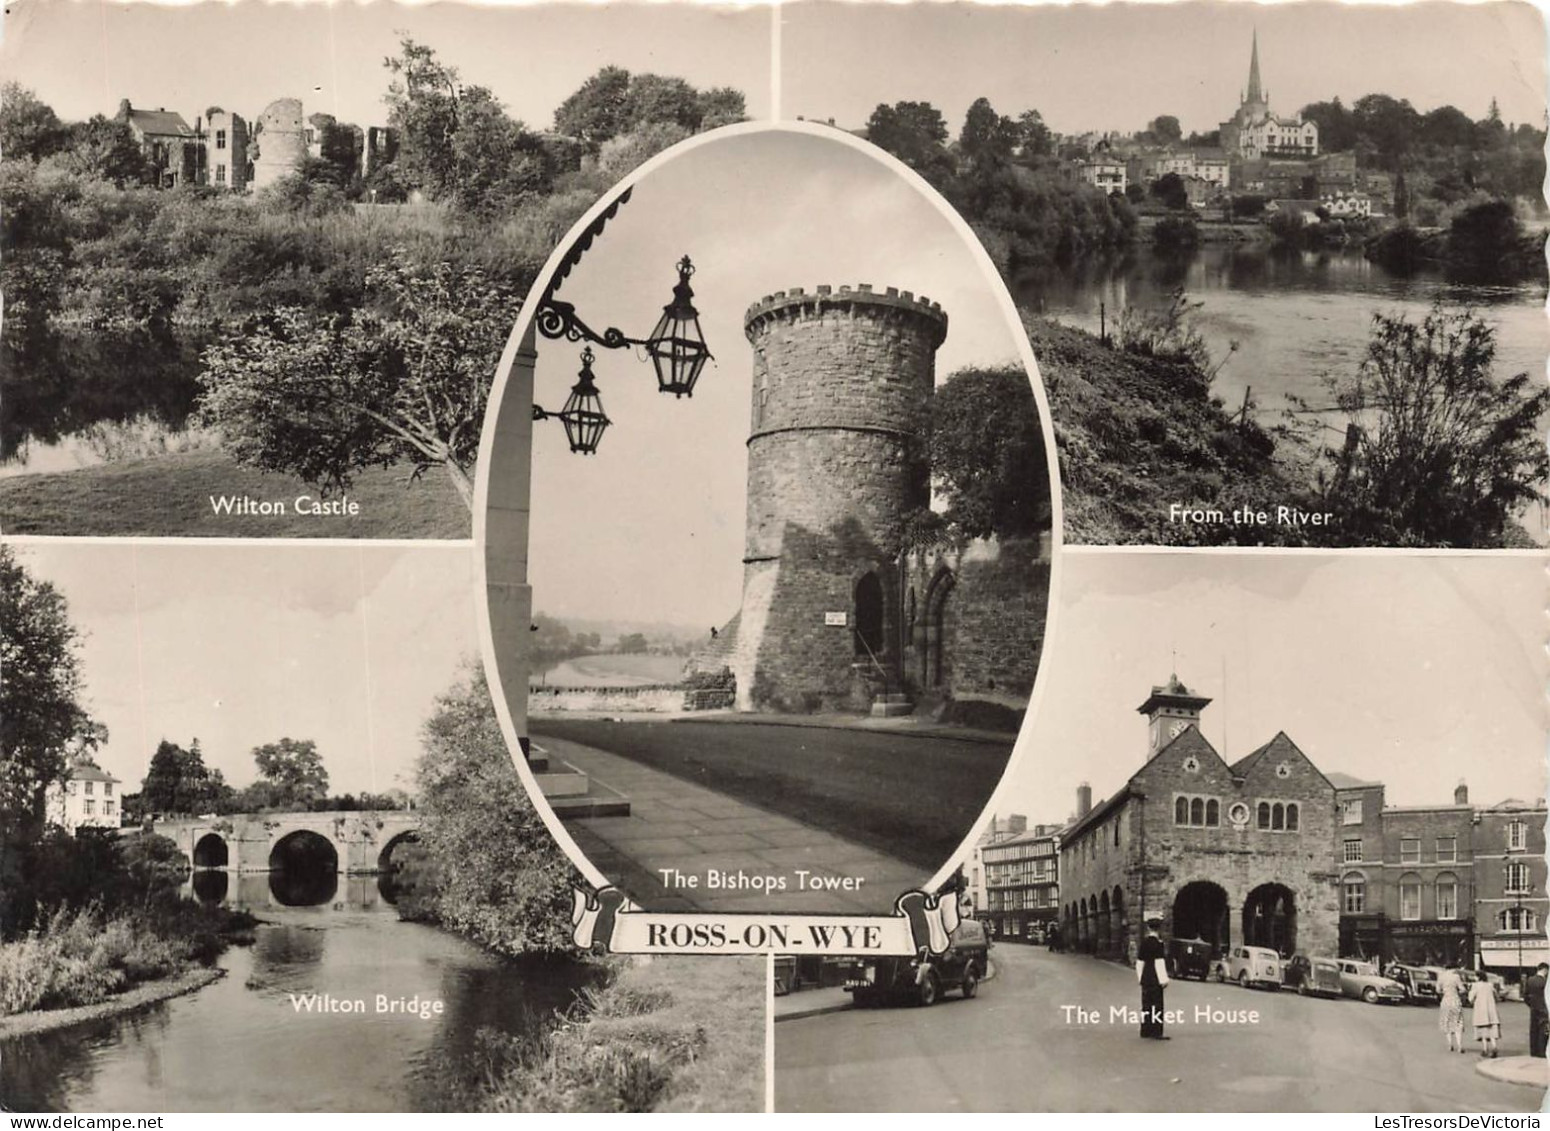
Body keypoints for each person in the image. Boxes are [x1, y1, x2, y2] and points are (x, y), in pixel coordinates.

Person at [1136, 915, 1170, 1040]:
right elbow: (1159, 962)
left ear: (1148, 928)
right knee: (1157, 1004)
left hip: (1146, 976)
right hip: (1155, 977)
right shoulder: (1158, 944)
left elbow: (1139, 962)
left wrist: (1140, 978)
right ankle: (1156, 1031)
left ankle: (1145, 1030)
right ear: (1159, 929)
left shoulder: (1144, 943)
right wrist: (1163, 980)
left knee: (1146, 1004)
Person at [1470, 973, 1501, 1058]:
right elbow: (1497, 996)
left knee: (1483, 1030)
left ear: (1478, 977)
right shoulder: (1490, 985)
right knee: (1492, 1031)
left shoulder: (1475, 986)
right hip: (1491, 1011)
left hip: (1481, 1010)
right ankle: (1494, 1047)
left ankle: (1485, 1049)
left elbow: (1471, 998)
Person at [1436, 966, 1466, 1054]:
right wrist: (1458, 992)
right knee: (1458, 1023)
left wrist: (1444, 991)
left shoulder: (1441, 977)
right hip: (1455, 1000)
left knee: (1447, 1022)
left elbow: (1438, 990)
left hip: (1446, 1001)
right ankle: (1459, 1045)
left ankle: (1450, 1045)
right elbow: (1462, 989)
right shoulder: (1456, 977)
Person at [1526, 963, 1548, 1059]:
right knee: (1543, 1030)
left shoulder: (1530, 980)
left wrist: (1531, 1005)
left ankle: (1533, 1051)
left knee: (1534, 1029)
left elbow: (1525, 995)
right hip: (1544, 1009)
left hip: (1534, 1009)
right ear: (1545, 970)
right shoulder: (1545, 982)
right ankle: (1541, 1051)